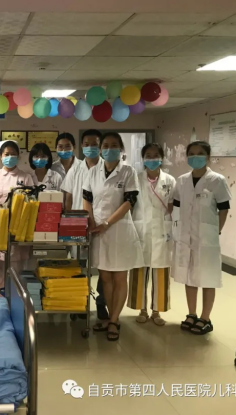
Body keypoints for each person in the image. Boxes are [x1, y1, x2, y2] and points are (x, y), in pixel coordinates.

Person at [83, 132, 144, 341]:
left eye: (114, 145)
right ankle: (111, 318)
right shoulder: (93, 172)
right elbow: (87, 198)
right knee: (106, 278)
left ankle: (114, 320)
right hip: (98, 231)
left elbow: (129, 202)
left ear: (121, 149)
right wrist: (91, 221)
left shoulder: (128, 172)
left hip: (119, 230)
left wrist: (107, 223)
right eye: (106, 145)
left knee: (119, 278)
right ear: (101, 149)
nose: (109, 149)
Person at [170, 141, 231, 335]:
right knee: (189, 276)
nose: (195, 157)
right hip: (185, 237)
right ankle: (191, 314)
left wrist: (216, 231)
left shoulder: (217, 180)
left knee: (208, 278)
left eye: (200, 153)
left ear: (208, 157)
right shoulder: (182, 181)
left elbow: (223, 209)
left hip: (207, 239)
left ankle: (205, 318)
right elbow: (176, 206)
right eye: (192, 154)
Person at [61, 129, 108, 321]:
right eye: (87, 144)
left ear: (100, 146)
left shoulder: (107, 168)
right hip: (77, 225)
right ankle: (79, 303)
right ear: (81, 146)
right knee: (79, 266)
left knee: (104, 267)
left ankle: (101, 303)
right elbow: (68, 197)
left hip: (102, 225)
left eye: (94, 144)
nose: (90, 147)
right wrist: (68, 222)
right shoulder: (76, 168)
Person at [127, 143, 176, 326]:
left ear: (161, 158)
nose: (152, 158)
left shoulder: (169, 180)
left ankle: (157, 311)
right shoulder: (136, 178)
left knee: (160, 271)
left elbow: (172, 204)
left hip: (161, 231)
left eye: (156, 155)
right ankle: (142, 309)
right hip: (141, 229)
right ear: (143, 158)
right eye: (148, 155)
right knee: (140, 270)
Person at [0, 140, 34, 294]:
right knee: (0, 270)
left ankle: (16, 302)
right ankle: (0, 300)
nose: (10, 157)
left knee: (16, 270)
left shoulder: (25, 177)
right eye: (6, 154)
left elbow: (31, 203)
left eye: (13, 154)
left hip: (17, 229)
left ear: (19, 156)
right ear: (0, 156)